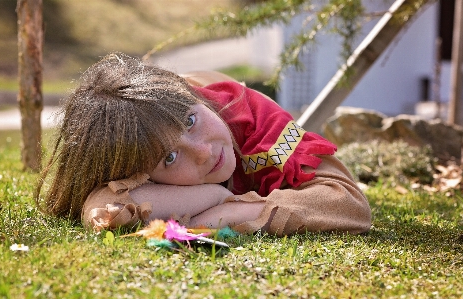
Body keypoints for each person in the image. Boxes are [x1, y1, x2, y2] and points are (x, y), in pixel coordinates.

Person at [35, 53, 371, 237]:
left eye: (191, 121)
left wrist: (229, 210)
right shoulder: (130, 142)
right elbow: (101, 208)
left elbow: (347, 203)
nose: (204, 152)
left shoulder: (251, 116)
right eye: (169, 157)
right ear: (142, 172)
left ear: (194, 98)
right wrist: (213, 195)